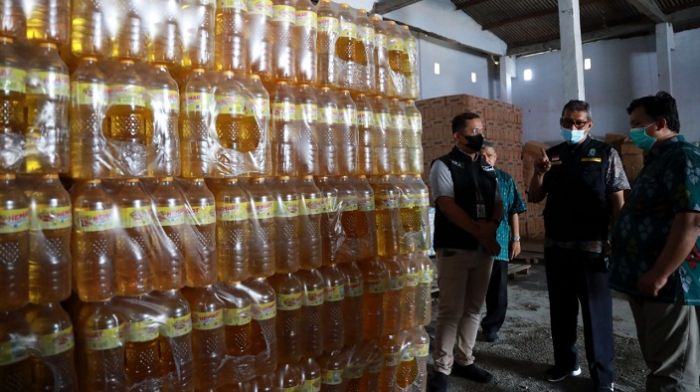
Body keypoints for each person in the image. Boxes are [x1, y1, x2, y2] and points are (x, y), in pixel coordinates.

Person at [527, 100, 629, 391]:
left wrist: (617, 239)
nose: (572, 127)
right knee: (561, 311)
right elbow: (534, 196)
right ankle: (566, 364)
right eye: (567, 122)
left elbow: (617, 198)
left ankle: (603, 377)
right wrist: (540, 172)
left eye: (579, 123)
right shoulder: (553, 155)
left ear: (589, 125)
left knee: (596, 314)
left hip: (592, 248)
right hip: (557, 246)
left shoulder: (605, 153)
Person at [609, 91, 700, 391]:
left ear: (661, 123)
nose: (632, 131)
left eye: (638, 124)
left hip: (670, 283)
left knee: (673, 372)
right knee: (659, 358)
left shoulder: (683, 157)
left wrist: (660, 274)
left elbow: (691, 221)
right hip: (647, 278)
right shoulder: (658, 160)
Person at [427, 112, 503, 390]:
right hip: (455, 248)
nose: (478, 135)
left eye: (481, 129)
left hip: (483, 250)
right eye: (473, 131)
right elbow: (446, 204)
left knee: (473, 308)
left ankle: (465, 359)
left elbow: (497, 202)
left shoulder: (486, 167)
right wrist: (482, 233)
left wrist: (493, 225)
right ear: (457, 136)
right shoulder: (443, 166)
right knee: (451, 310)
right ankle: (442, 369)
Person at [480, 141, 527, 342]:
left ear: (495, 157)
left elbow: (514, 209)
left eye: (489, 155)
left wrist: (515, 239)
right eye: (481, 156)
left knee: (497, 290)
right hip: (473, 243)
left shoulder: (505, 179)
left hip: (499, 242)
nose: (485, 159)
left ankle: (491, 327)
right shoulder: (468, 178)